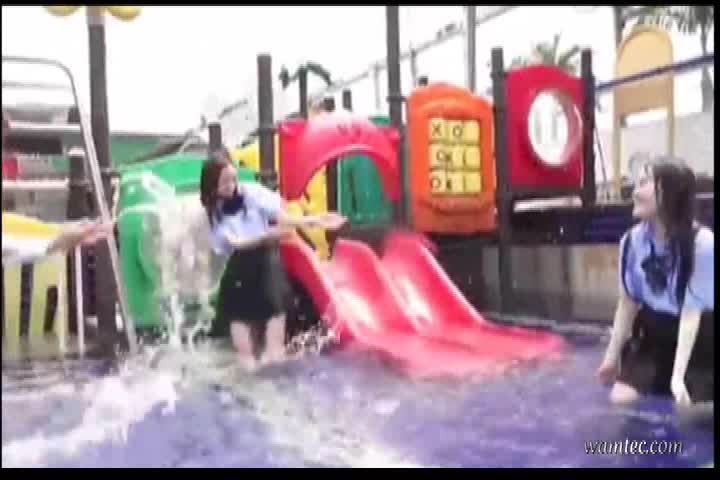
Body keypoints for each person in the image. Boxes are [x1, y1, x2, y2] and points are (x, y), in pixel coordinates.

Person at [199, 157, 346, 368]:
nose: (232, 185)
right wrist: (265, 236)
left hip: (267, 265)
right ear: (213, 186)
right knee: (244, 353)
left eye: (234, 179)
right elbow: (235, 243)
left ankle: (275, 368)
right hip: (240, 269)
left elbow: (281, 217)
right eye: (225, 182)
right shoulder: (212, 212)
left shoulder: (250, 192)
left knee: (275, 344)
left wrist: (312, 220)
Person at [597, 157, 714, 407]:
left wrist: (678, 378)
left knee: (689, 414)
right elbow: (627, 303)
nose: (634, 192)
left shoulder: (702, 243)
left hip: (700, 337)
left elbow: (692, 312)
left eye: (644, 184)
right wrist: (611, 357)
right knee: (621, 401)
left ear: (669, 193)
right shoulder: (632, 241)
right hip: (654, 333)